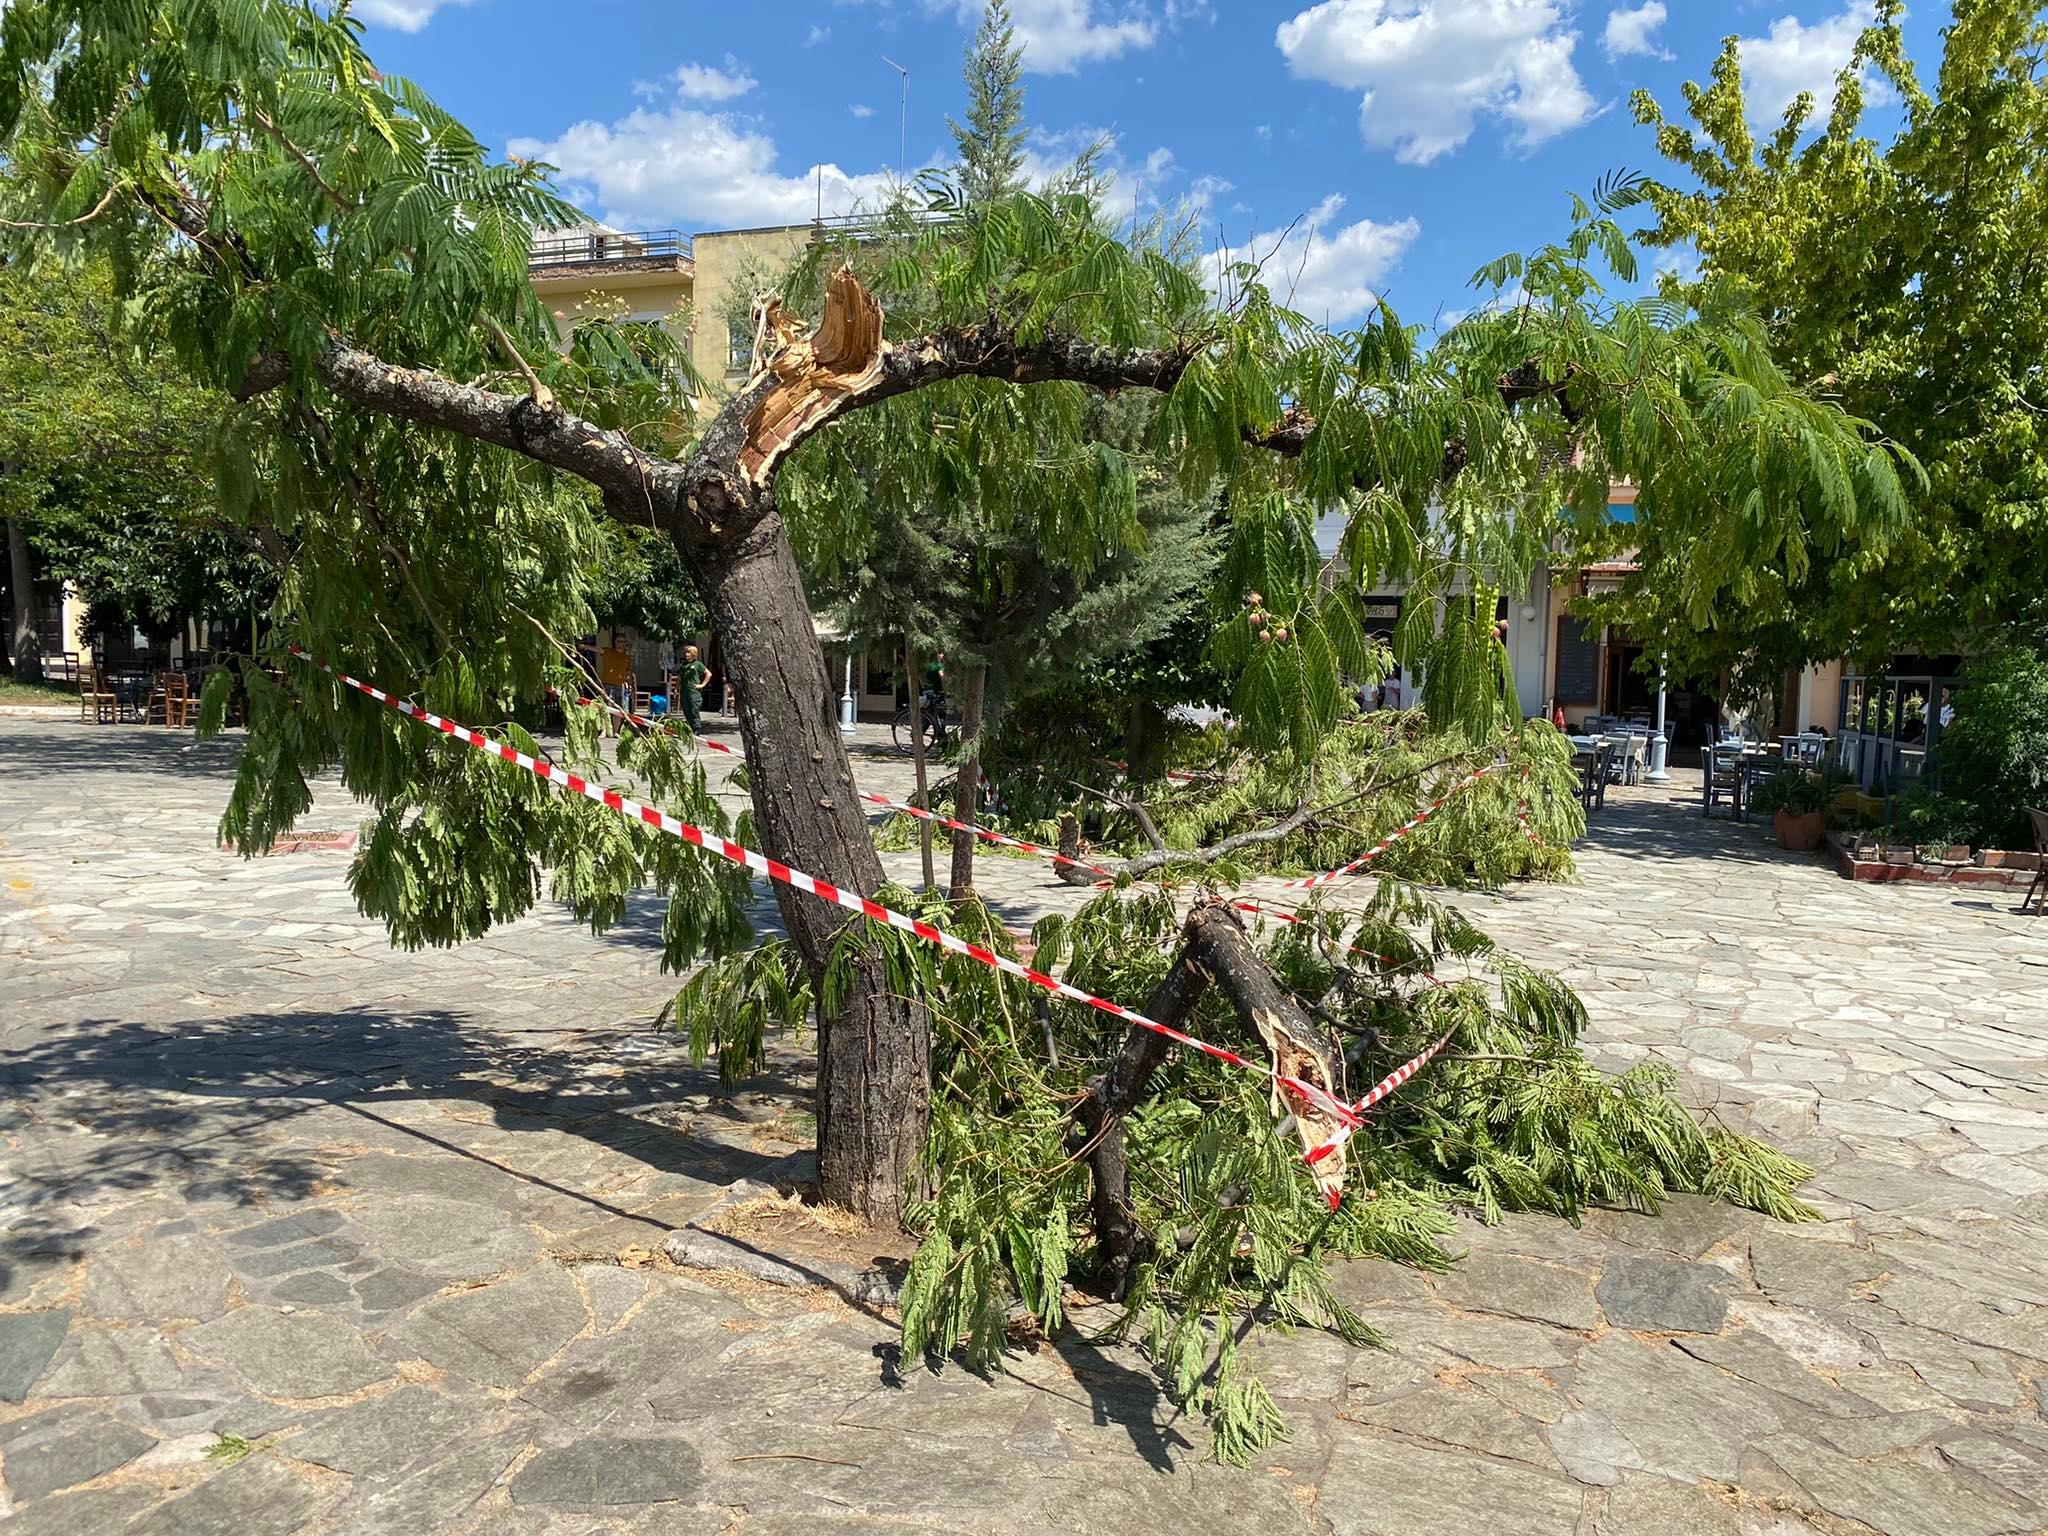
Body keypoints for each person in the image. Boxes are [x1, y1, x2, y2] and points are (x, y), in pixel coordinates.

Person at [678, 644, 710, 735]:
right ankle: (690, 727)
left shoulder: (698, 664)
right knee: (686, 709)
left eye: (689, 652)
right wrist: (676, 688)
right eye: (686, 652)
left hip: (693, 691)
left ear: (693, 654)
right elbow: (679, 677)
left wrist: (702, 685)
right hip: (684, 691)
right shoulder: (683, 665)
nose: (686, 654)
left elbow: (708, 674)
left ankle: (697, 728)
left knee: (694, 709)